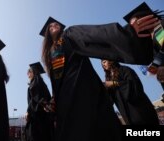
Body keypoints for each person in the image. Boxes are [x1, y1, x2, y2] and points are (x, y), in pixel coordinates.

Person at [39, 2, 160, 141]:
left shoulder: (69, 35)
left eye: (56, 24)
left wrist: (128, 32)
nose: (54, 25)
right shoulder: (50, 55)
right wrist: (54, 100)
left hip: (82, 95)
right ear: (47, 33)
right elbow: (56, 81)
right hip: (65, 105)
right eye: (50, 26)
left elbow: (96, 35)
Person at [101, 60, 159, 125]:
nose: (103, 64)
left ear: (111, 61)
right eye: (102, 63)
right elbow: (111, 99)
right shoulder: (108, 78)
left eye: (104, 62)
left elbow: (134, 85)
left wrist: (114, 83)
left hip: (138, 109)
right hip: (126, 113)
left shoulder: (125, 70)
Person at [25, 62, 53, 141]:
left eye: (29, 72)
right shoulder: (42, 83)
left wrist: (28, 111)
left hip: (37, 119)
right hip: (43, 118)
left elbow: (35, 99)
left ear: (33, 72)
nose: (28, 74)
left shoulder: (35, 83)